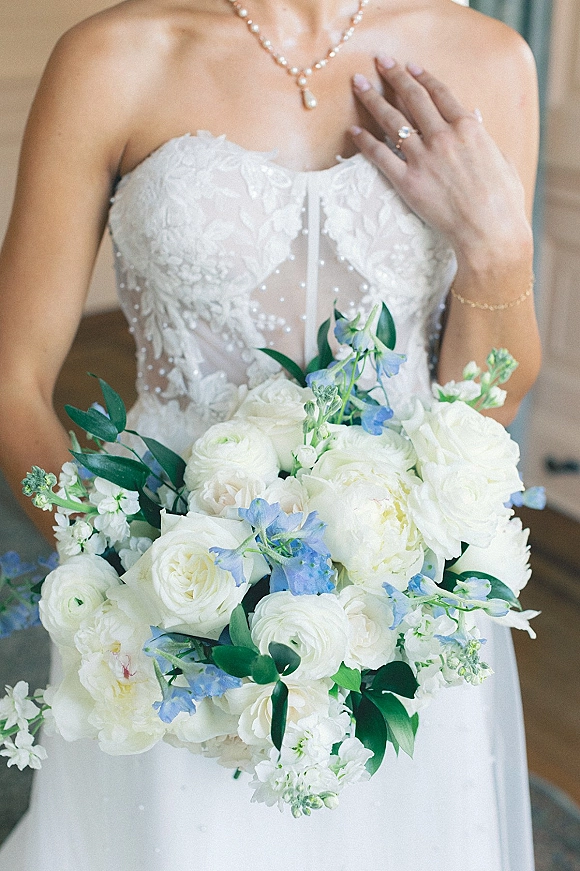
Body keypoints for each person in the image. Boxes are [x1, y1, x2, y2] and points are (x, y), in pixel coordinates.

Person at [0, 0, 542, 868]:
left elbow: (485, 404)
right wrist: (118, 577)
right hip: (166, 595)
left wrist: (499, 252)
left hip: (401, 599)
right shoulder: (112, 57)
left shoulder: (487, 60)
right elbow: (11, 379)